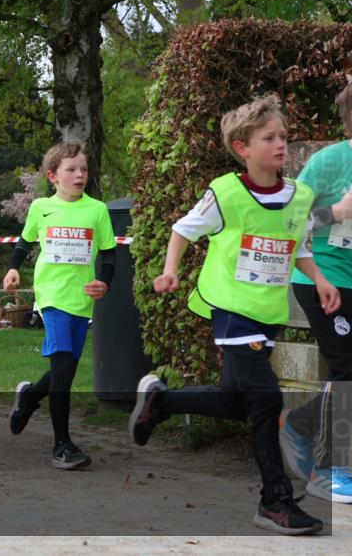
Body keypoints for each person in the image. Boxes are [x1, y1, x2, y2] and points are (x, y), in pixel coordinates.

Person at [133, 94, 338, 535]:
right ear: (242, 147)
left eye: (283, 136)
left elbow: (297, 247)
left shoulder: (299, 196)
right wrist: (169, 272)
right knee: (265, 399)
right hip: (229, 310)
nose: (281, 144)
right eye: (269, 138)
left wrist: (319, 279)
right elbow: (182, 230)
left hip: (267, 314)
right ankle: (275, 501)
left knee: (234, 400)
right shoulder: (225, 192)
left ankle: (161, 401)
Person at [2, 141, 116, 470]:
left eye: (83, 169)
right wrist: (12, 268)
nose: (79, 175)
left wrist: (105, 281)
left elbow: (109, 252)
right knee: (64, 371)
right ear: (53, 176)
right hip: (52, 298)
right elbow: (24, 243)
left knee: (62, 370)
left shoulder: (97, 210)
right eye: (71, 170)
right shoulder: (40, 208)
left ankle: (29, 397)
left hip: (82, 300)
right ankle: (61, 445)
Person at [279, 80, 352, 503]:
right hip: (320, 279)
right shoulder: (329, 163)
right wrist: (336, 212)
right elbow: (288, 223)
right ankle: (334, 469)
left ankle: (299, 424)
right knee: (347, 370)